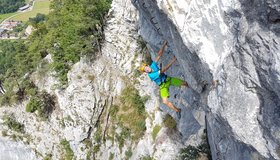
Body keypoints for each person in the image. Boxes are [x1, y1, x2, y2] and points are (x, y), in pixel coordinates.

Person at [139, 41, 189, 119]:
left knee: (184, 83)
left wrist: (164, 45)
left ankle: (189, 87)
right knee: (165, 102)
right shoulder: (151, 75)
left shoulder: (153, 65)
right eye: (145, 70)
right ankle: (177, 110)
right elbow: (164, 69)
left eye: (146, 68)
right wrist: (173, 60)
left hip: (167, 79)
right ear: (146, 72)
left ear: (148, 65)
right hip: (163, 86)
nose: (147, 69)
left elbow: (159, 55)